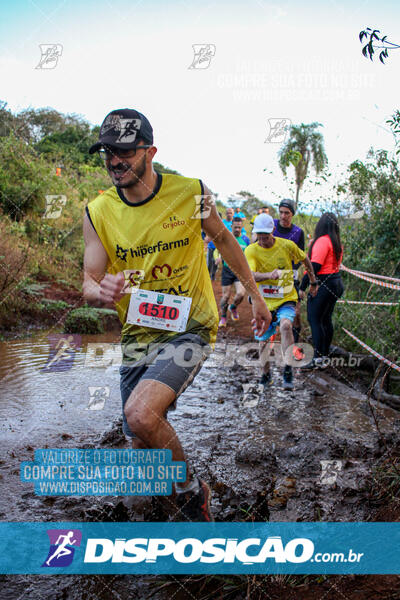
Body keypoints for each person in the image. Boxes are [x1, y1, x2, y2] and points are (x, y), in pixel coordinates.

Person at [83, 108, 271, 521]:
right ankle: (150, 520)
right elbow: (89, 282)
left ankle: (191, 492)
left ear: (150, 151)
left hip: (191, 326)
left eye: (126, 152)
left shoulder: (192, 192)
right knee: (139, 438)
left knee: (141, 413)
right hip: (138, 333)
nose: (115, 161)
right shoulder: (98, 211)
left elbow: (222, 239)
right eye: (108, 153)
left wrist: (255, 296)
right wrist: (102, 290)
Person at [245, 213, 318, 390]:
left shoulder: (287, 245)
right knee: (263, 341)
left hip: (286, 298)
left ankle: (287, 369)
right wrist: (269, 275)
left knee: (286, 326)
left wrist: (313, 281)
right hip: (263, 302)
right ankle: (265, 374)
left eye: (265, 234)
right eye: (259, 235)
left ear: (273, 231)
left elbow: (305, 258)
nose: (262, 239)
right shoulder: (251, 250)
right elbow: (249, 275)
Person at [300, 212, 344, 369]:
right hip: (336, 282)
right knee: (325, 319)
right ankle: (324, 356)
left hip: (324, 283)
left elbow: (315, 266)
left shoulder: (322, 241)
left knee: (315, 319)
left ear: (320, 225)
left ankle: (318, 358)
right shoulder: (336, 242)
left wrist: (302, 286)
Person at [273, 199, 305, 361]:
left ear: (292, 214)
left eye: (287, 213)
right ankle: (271, 336)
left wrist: (292, 269)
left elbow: (301, 256)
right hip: (269, 275)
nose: (283, 216)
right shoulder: (272, 226)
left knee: (296, 313)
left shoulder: (298, 232)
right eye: (281, 212)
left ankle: (294, 347)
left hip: (289, 275)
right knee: (271, 309)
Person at [215, 217, 250, 326]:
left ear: (242, 227)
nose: (237, 229)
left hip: (239, 271)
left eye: (239, 227)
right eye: (235, 227)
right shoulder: (226, 238)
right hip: (227, 270)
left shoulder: (246, 239)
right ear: (231, 227)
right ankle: (223, 317)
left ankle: (233, 307)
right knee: (226, 296)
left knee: (240, 294)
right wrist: (218, 257)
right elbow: (217, 249)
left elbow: (249, 253)